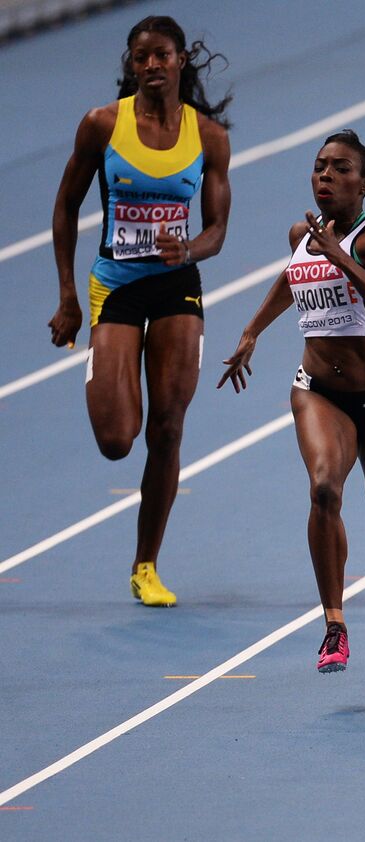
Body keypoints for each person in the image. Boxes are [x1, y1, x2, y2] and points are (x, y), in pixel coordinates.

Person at [218, 130, 365, 673]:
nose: (326, 177)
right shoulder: (302, 233)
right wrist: (252, 331)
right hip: (319, 393)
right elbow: (292, 278)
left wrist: (341, 256)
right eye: (319, 167)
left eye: (340, 169)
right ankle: (334, 625)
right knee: (323, 490)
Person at [48, 16, 232, 607]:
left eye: (161, 55)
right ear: (131, 66)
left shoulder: (209, 137)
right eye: (140, 57)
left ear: (182, 59)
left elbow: (217, 229)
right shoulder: (103, 124)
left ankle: (146, 565)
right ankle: (104, 371)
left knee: (169, 426)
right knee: (117, 440)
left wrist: (191, 247)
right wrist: (68, 296)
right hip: (117, 287)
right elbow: (65, 207)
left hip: (176, 286)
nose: (150, 65)